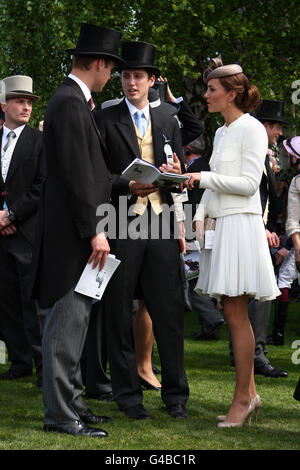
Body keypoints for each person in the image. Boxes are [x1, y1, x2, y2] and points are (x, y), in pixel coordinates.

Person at [29, 23, 123, 437]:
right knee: (65, 330)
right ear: (100, 63)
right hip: (74, 241)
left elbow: (93, 174)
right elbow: (74, 177)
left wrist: (128, 182)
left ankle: (75, 406)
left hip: (79, 236)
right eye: (113, 67)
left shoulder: (73, 101)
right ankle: (61, 416)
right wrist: (94, 232)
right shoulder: (69, 102)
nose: (113, 76)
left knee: (76, 327)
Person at [94, 40, 189, 420]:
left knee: (169, 312)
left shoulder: (168, 118)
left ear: (152, 80)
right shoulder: (103, 119)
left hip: (162, 223)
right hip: (120, 223)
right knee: (118, 313)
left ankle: (176, 396)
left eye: (138, 76)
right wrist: (124, 184)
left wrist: (176, 177)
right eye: (126, 76)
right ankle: (129, 398)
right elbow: (97, 176)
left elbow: (178, 171)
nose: (131, 83)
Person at [186, 55, 280, 428]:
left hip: (242, 226)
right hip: (222, 226)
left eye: (211, 90)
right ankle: (248, 394)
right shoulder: (223, 132)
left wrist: (205, 179)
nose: (206, 95)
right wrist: (197, 216)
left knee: (235, 314)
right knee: (231, 312)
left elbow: (246, 186)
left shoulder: (252, 129)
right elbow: (216, 179)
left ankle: (244, 398)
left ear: (232, 93)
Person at [0, 75, 43, 386]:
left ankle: (43, 366)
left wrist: (11, 214)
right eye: (20, 100)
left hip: (27, 234)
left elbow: (42, 187)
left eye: (29, 101)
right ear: (4, 105)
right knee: (6, 301)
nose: (26, 106)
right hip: (0, 235)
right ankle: (18, 361)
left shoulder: (39, 142)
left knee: (31, 303)